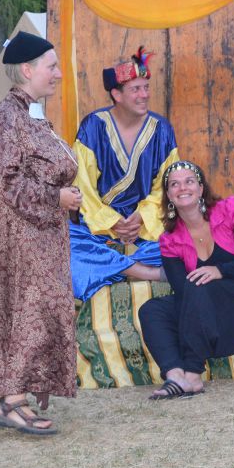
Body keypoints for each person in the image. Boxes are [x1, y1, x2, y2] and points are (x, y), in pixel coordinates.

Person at [0, 31, 83, 436]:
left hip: (43, 233)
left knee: (32, 311)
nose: (58, 74)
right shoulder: (6, 117)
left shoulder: (29, 114)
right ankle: (12, 400)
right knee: (28, 310)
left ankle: (2, 400)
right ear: (27, 70)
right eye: (52, 66)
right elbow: (8, 182)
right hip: (22, 233)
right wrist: (55, 197)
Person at [138, 160, 234, 399]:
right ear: (169, 195)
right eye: (174, 184)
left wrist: (220, 270)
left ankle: (193, 375)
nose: (183, 188)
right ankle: (175, 375)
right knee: (152, 309)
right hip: (210, 308)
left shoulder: (229, 210)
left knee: (200, 284)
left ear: (201, 188)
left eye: (189, 181)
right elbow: (183, 292)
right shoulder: (169, 240)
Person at [68, 47, 180, 302]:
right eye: (136, 89)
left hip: (146, 227)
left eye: (146, 87)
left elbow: (168, 185)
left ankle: (111, 267)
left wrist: (140, 217)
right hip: (99, 228)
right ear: (116, 94)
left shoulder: (162, 129)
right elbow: (82, 187)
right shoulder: (93, 126)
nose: (144, 95)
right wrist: (113, 222)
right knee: (65, 247)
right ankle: (144, 272)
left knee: (186, 246)